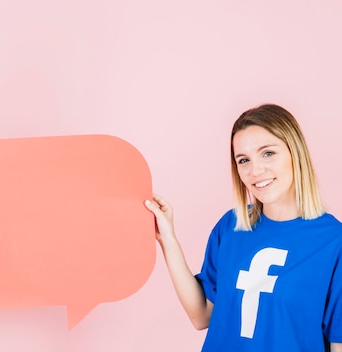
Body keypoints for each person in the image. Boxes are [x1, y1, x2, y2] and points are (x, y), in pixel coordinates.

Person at [145, 104, 342, 351]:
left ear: (296, 152)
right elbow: (202, 315)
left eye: (268, 153)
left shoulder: (334, 242)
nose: (255, 170)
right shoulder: (231, 226)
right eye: (243, 160)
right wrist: (168, 240)